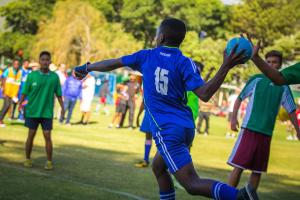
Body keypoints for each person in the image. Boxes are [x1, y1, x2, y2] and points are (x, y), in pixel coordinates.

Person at [74, 18, 257, 200]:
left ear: (160, 37)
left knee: (191, 184)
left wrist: (87, 67)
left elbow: (113, 63)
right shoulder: (186, 63)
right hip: (186, 128)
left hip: (167, 130)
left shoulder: (145, 56)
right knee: (158, 167)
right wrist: (225, 67)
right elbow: (205, 94)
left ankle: (240, 196)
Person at [228, 50, 300, 191]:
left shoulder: (283, 86)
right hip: (249, 129)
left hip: (266, 133)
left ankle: (250, 195)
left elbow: (291, 110)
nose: (271, 65)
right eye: (268, 62)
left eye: (275, 62)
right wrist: (233, 118)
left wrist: (298, 130)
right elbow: (240, 98)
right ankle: (227, 195)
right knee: (239, 166)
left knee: (257, 170)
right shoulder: (256, 80)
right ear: (264, 63)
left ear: (280, 65)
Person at [19, 51, 64, 170]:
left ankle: (49, 161)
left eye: (47, 59)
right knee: (31, 135)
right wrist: (20, 104)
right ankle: (28, 158)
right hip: (33, 111)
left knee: (47, 136)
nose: (45, 61)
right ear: (39, 61)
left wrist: (63, 108)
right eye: (42, 59)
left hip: (47, 112)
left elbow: (59, 94)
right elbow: (24, 92)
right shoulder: (32, 75)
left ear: (50, 62)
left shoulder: (54, 77)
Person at [0, 60, 21, 127]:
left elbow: (18, 83)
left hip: (13, 93)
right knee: (6, 105)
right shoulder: (8, 70)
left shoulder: (19, 72)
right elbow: (2, 78)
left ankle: (1, 119)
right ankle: (0, 120)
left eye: (17, 64)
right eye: (15, 64)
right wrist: (3, 89)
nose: (16, 65)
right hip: (7, 91)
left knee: (8, 106)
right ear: (13, 64)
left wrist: (16, 94)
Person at [135, 100, 152, 168]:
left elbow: (143, 102)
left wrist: (138, 116)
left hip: (151, 115)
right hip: (161, 115)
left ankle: (146, 159)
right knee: (162, 140)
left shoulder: (148, 89)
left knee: (148, 138)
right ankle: (146, 159)